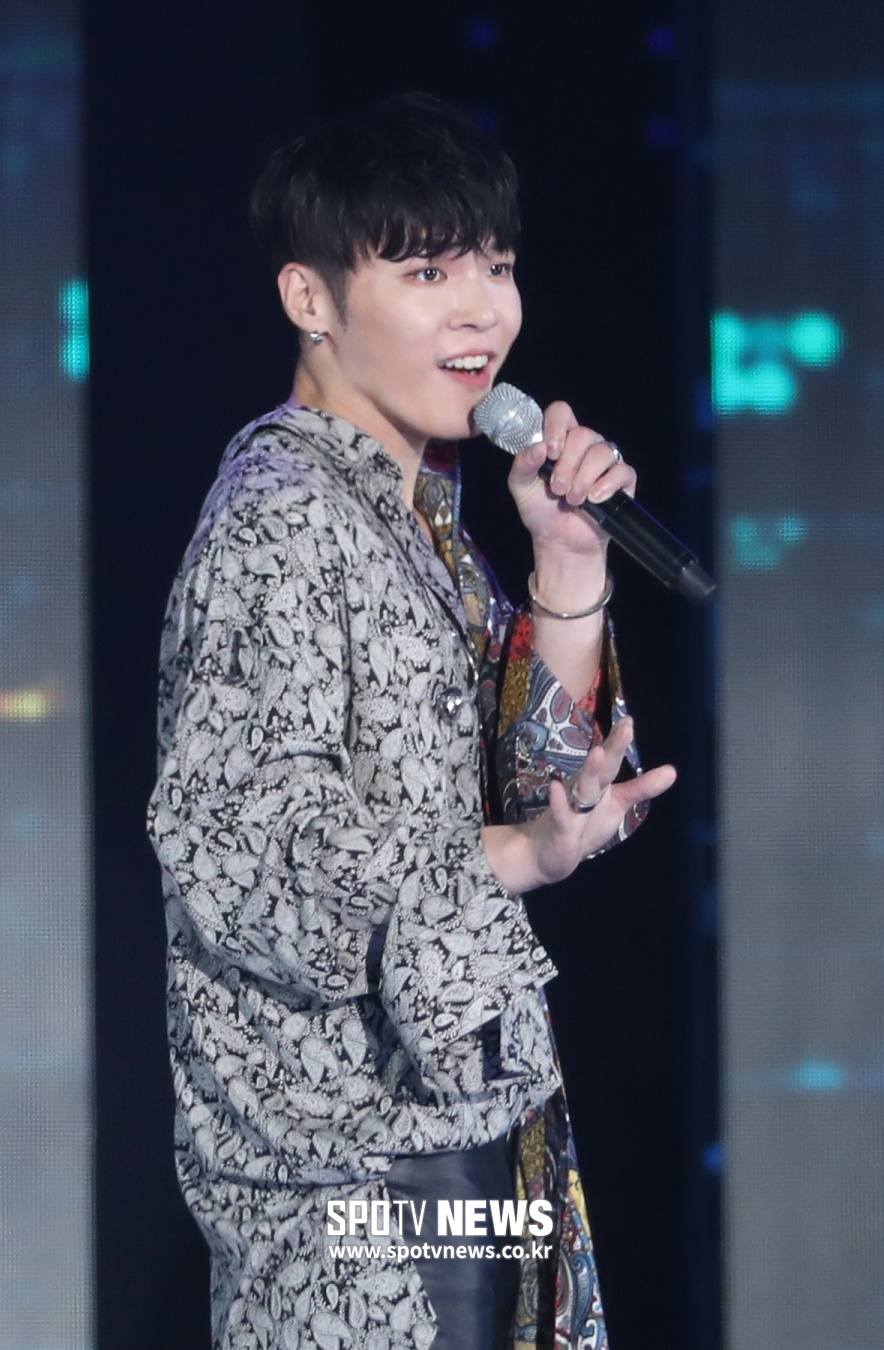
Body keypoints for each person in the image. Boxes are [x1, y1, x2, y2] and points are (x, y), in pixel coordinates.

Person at [147, 92, 675, 1350]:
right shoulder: (280, 517)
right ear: (310, 298)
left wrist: (567, 567)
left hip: (473, 1138)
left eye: (496, 265)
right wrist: (514, 856)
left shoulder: (414, 517)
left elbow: (540, 796)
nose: (481, 309)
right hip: (352, 1190)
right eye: (428, 271)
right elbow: (242, 852)